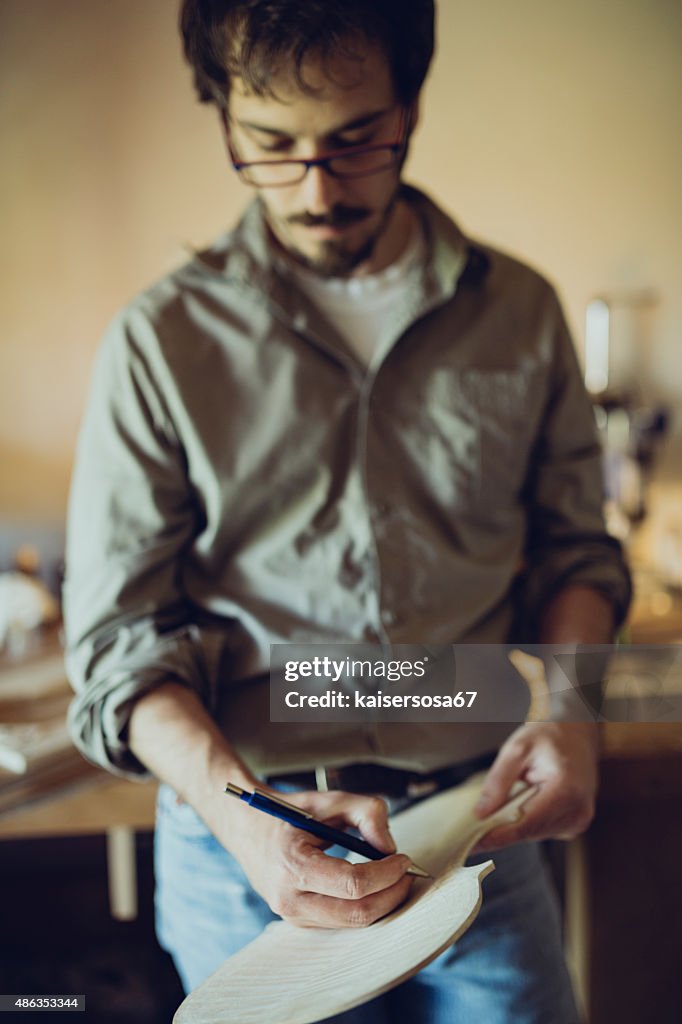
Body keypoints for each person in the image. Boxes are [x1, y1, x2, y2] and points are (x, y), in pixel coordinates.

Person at [64, 1, 631, 1021]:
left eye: (355, 139)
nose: (318, 190)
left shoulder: (522, 313)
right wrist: (244, 821)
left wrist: (571, 709)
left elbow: (574, 554)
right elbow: (117, 643)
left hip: (478, 830)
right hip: (244, 850)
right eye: (271, 148)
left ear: (410, 107)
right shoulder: (157, 342)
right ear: (224, 118)